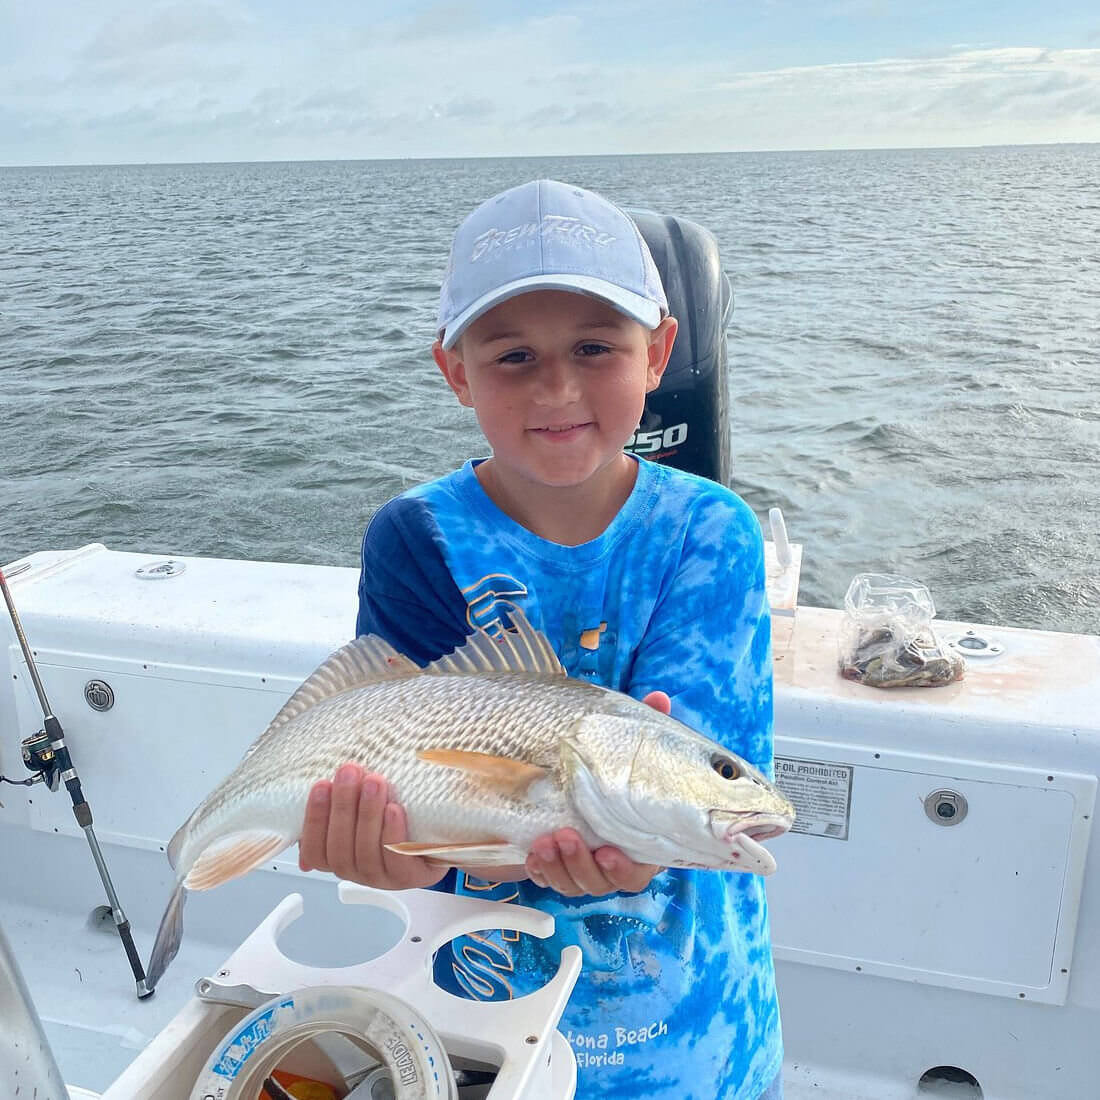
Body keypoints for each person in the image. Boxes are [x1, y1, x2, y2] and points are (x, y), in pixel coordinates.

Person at [297, 179, 783, 1100]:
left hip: (692, 1032)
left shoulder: (710, 532)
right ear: (455, 371)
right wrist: (394, 849)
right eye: (513, 355)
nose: (558, 388)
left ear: (660, 353)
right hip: (481, 1021)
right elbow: (421, 799)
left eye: (596, 347)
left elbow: (699, 780)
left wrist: (641, 841)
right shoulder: (416, 537)